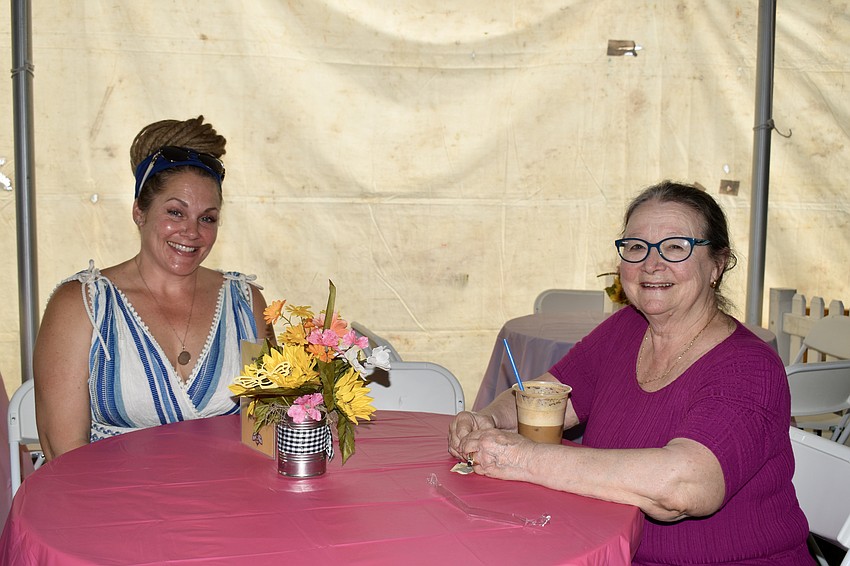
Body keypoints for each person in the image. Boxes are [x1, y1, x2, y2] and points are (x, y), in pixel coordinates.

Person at [449, 181, 812, 565]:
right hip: (608, 552)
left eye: (676, 247)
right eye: (637, 247)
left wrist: (523, 459)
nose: (651, 264)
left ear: (717, 265)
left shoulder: (749, 367)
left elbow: (683, 487)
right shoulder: (625, 329)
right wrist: (488, 418)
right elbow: (543, 397)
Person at [35, 116, 274, 461]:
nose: (192, 232)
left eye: (207, 218)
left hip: (229, 490)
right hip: (109, 492)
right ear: (139, 211)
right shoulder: (81, 305)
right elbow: (64, 451)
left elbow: (264, 429)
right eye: (176, 212)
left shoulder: (245, 303)